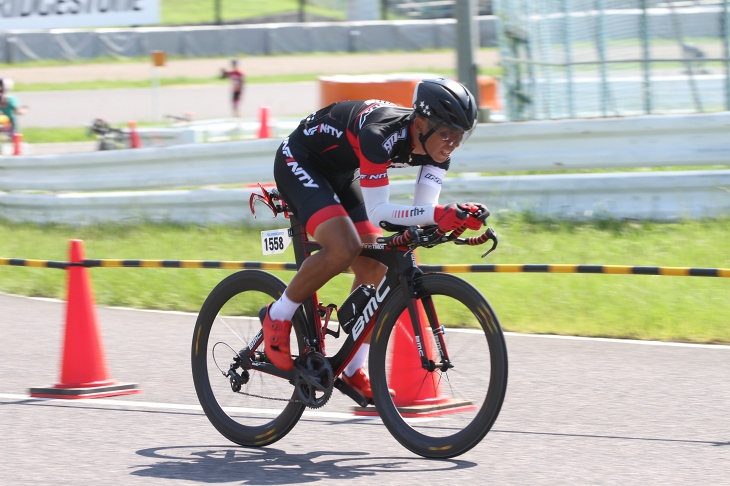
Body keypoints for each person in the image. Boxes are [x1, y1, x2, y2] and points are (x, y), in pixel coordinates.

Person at [261, 78, 489, 400]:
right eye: (448, 133)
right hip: (300, 161)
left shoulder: (438, 149)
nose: (453, 143)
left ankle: (353, 368)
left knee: (375, 267)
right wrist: (439, 215)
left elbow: (423, 210)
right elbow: (380, 212)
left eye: (460, 135)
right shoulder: (379, 136)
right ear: (421, 124)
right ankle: (278, 315)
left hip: (340, 172)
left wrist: (450, 220)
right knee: (344, 247)